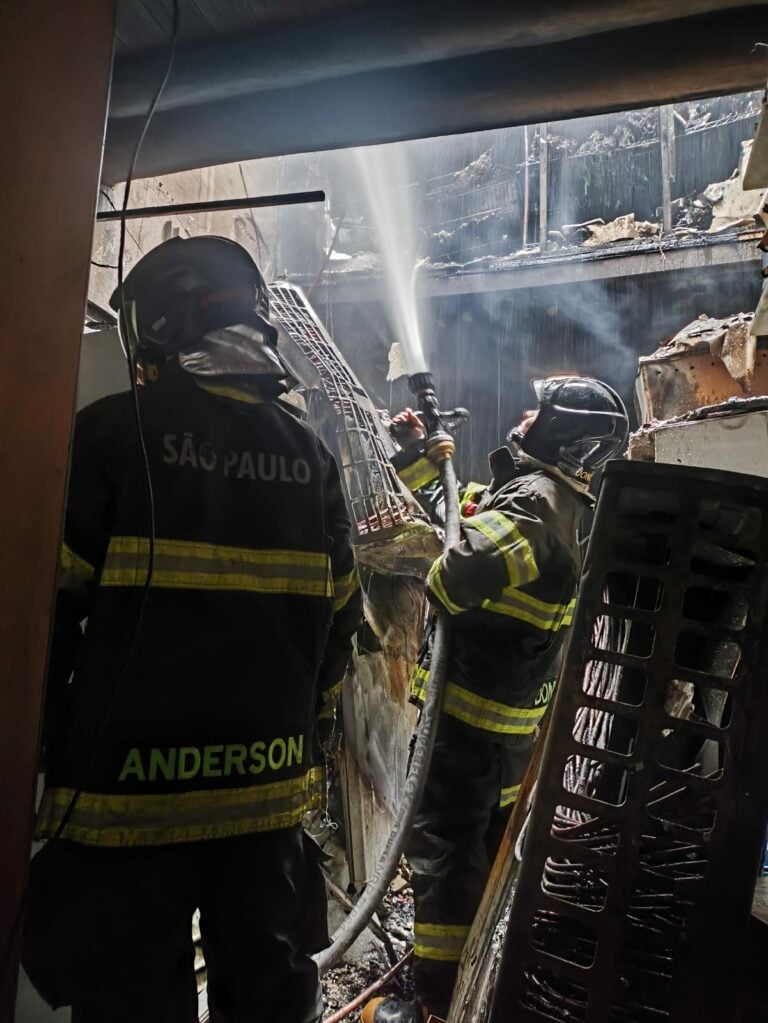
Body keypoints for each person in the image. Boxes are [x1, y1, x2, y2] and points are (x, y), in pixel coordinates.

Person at [22, 236, 362, 1023]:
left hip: (127, 808)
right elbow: (342, 620)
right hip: (266, 805)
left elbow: (45, 623)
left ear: (160, 328)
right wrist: (301, 740)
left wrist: (44, 747)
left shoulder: (112, 434)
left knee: (133, 1000)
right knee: (270, 996)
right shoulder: (310, 457)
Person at [365, 377, 628, 1023]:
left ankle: (439, 1001)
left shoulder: (538, 503)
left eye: (540, 407)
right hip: (503, 730)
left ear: (562, 430)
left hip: (469, 725)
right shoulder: (559, 501)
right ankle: (473, 987)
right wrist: (426, 455)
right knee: (473, 855)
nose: (526, 411)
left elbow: (453, 575)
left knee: (445, 857)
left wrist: (447, 543)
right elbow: (461, 518)